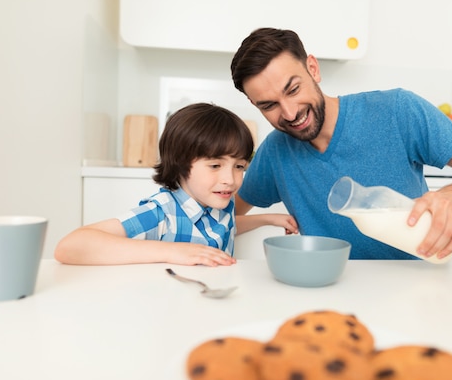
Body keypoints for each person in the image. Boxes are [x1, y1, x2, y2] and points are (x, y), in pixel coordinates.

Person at [230, 27, 452, 261]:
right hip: (331, 295)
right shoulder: (275, 152)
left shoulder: (398, 111)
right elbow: (225, 214)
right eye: (269, 105)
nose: (290, 113)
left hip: (418, 289)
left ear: (313, 68)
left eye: (293, 89)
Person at [54, 102, 298, 266]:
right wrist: (173, 251)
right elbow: (70, 246)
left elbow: (226, 225)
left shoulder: (219, 205)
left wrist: (269, 219)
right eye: (215, 166)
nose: (230, 179)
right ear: (181, 163)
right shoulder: (161, 213)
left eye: (239, 166)